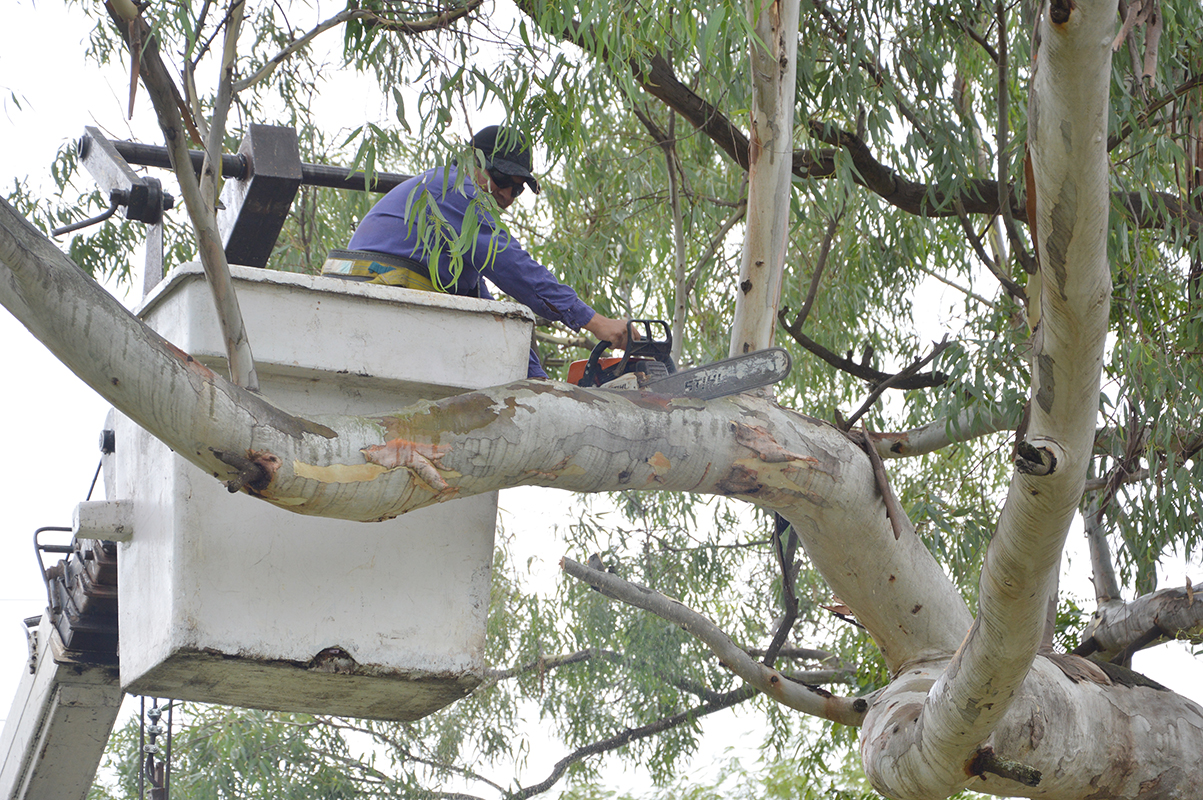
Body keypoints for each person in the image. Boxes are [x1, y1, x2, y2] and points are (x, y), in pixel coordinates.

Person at [323, 125, 632, 378]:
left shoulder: (459, 235)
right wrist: (597, 323)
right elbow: (514, 267)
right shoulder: (452, 189)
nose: (508, 195)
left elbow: (491, 317)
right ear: (471, 160)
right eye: (501, 178)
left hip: (389, 312)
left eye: (518, 188)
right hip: (371, 304)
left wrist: (540, 385)